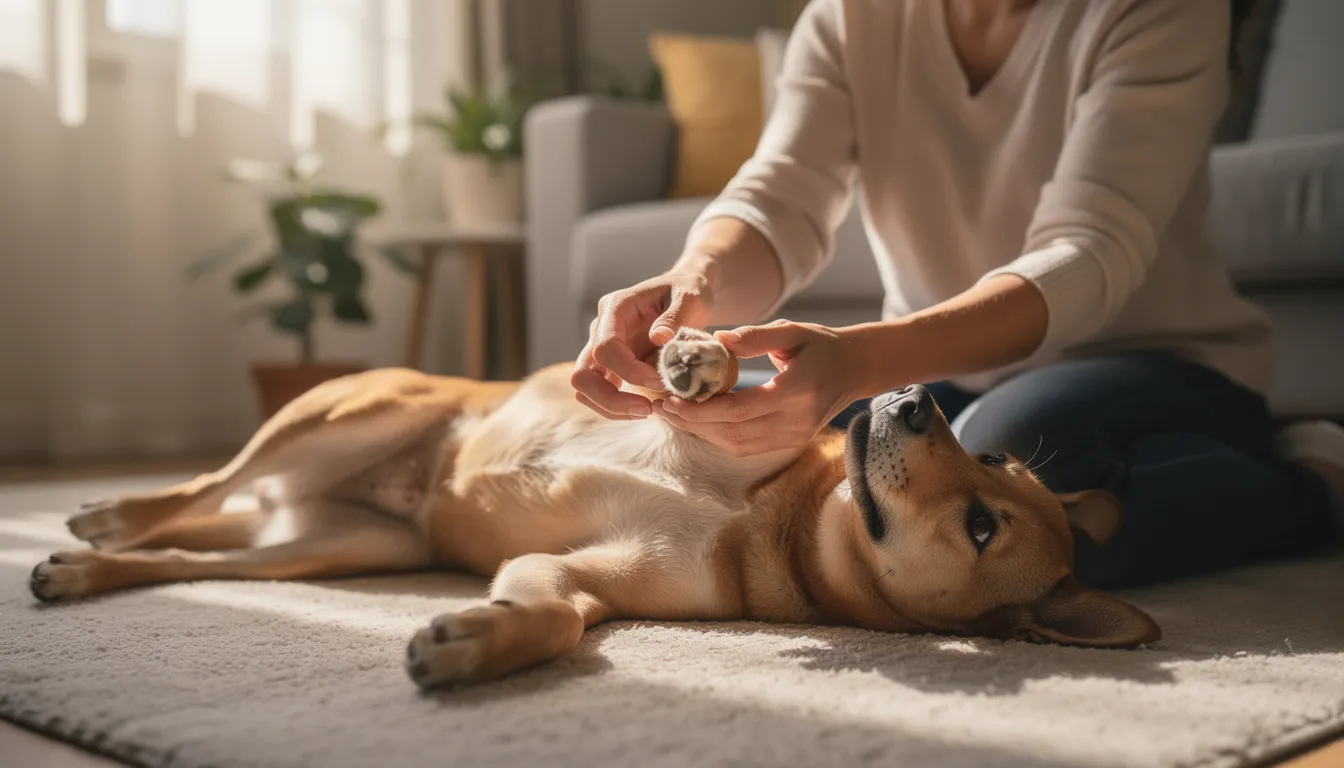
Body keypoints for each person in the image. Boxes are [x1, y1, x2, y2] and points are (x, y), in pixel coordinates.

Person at [570, 0, 1344, 589]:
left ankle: (1308, 485)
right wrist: (690, 284)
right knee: (743, 448)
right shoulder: (850, 17)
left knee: (998, 492)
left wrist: (862, 359)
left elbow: (1088, 251)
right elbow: (782, 201)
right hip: (945, 369)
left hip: (1159, 357)